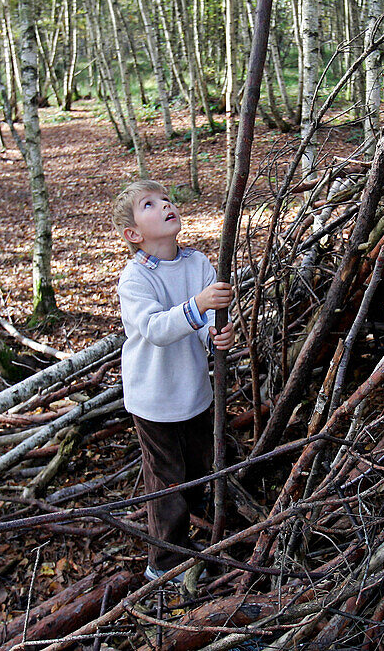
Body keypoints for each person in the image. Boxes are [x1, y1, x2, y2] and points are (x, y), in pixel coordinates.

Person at [111, 179, 234, 582]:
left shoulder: (198, 264)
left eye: (166, 199)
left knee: (197, 465)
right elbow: (155, 329)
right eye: (149, 204)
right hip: (154, 397)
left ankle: (188, 536)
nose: (165, 205)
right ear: (133, 234)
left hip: (193, 391)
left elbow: (205, 325)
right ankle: (162, 562)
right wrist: (198, 306)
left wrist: (217, 333)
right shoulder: (134, 279)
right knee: (166, 478)